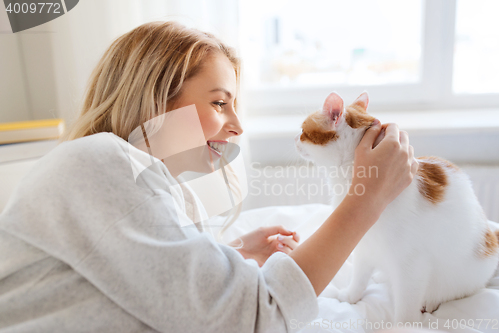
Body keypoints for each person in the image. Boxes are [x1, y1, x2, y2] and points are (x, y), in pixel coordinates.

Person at [0, 21, 419, 333]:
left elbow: (158, 285)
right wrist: (366, 200)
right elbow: (254, 316)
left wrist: (231, 254)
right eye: (220, 103)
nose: (237, 126)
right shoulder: (99, 162)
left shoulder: (158, 190)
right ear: (153, 97)